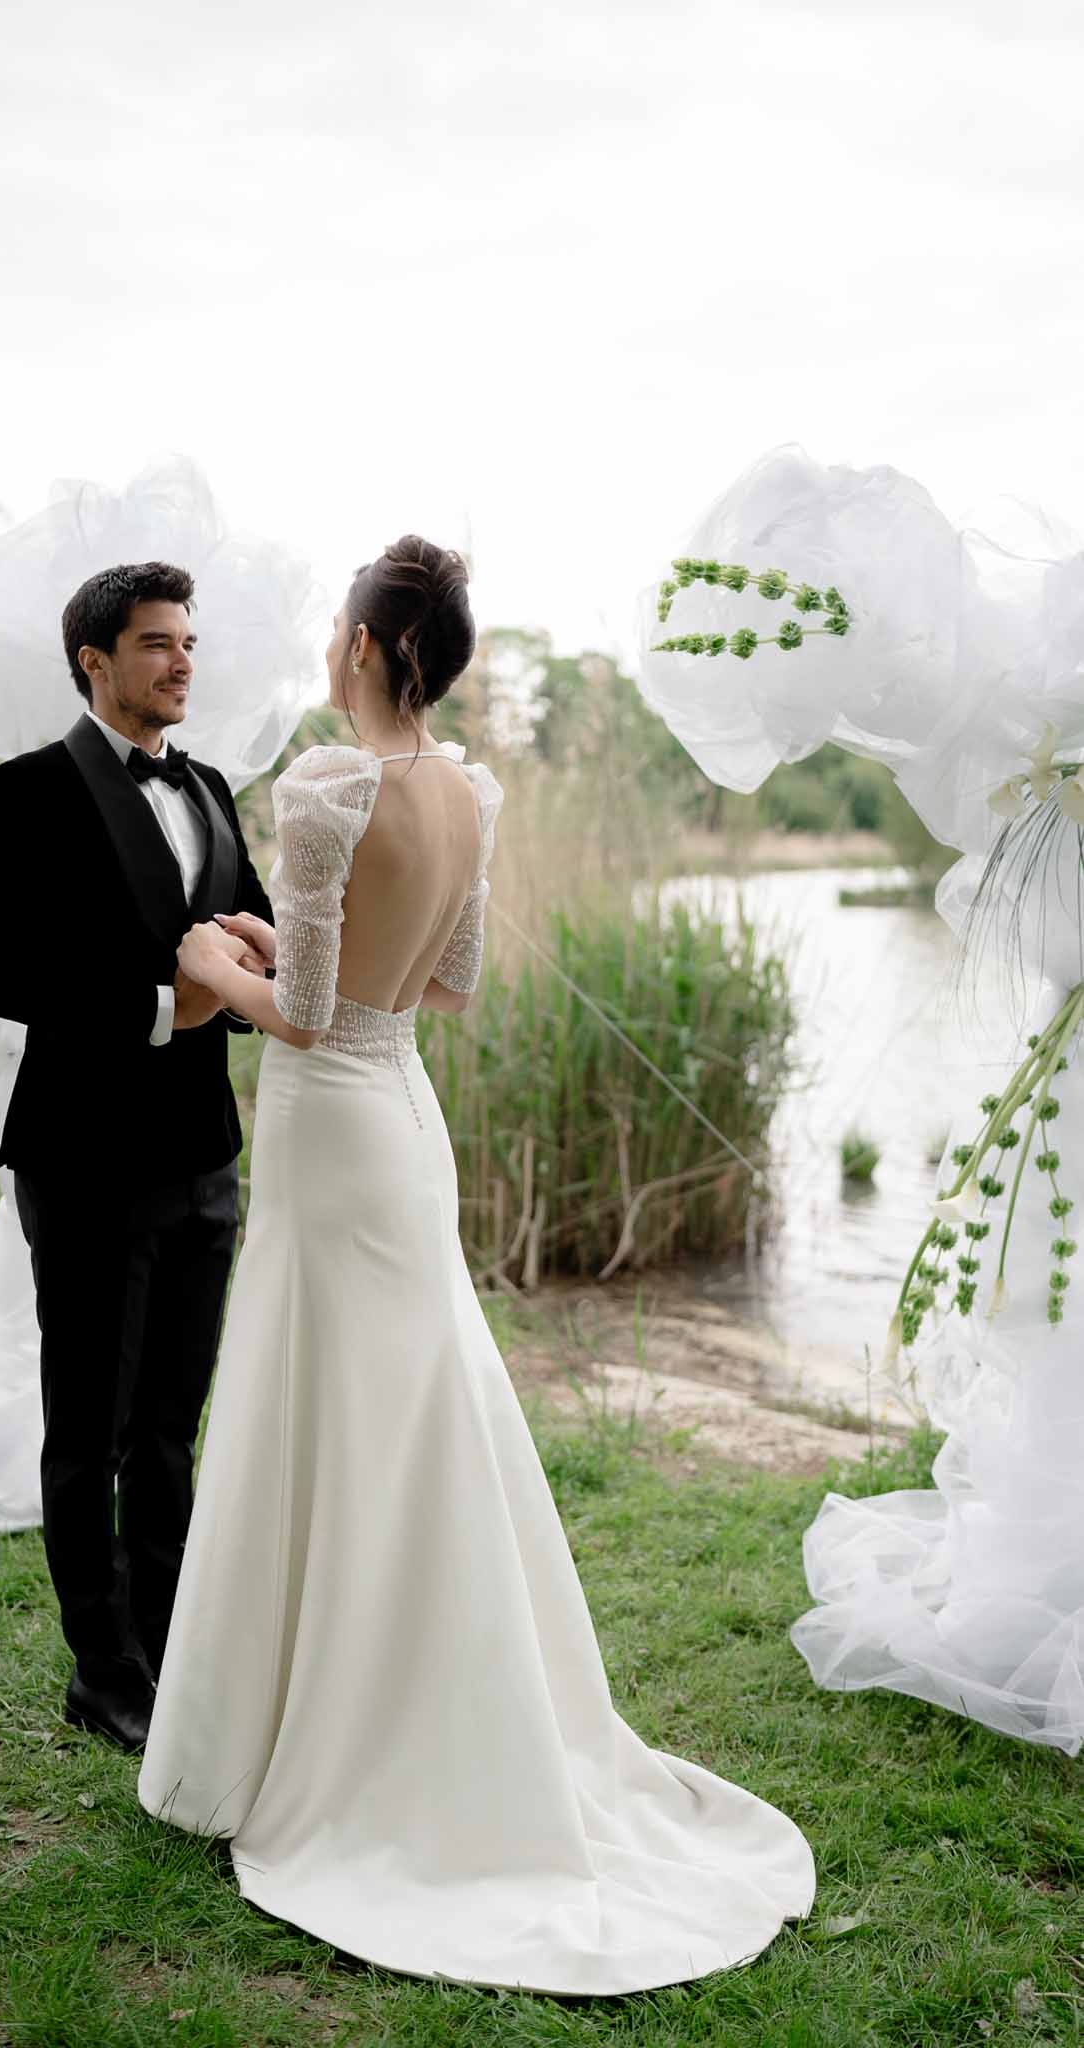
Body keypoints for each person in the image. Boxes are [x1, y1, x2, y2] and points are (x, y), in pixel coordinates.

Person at [136, 536, 816, 1995]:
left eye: (338, 629)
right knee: (402, 1409)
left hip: (333, 1127)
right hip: (407, 1116)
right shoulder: (468, 791)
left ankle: (326, 1738)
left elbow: (302, 1018)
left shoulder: (329, 782)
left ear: (375, 645)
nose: (327, 647)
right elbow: (441, 980)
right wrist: (286, 945)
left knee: (328, 1406)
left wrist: (210, 963)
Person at [0, 560, 274, 1753]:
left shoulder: (212, 783)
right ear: (95, 660)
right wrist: (159, 1007)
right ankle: (102, 1670)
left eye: (187, 640)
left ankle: (169, 1642)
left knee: (169, 1424)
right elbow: (1, 969)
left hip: (204, 1154)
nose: (182, 660)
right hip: (84, 1156)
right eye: (156, 643)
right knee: (86, 1429)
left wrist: (263, 967)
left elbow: (241, 944)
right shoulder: (31, 791)